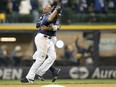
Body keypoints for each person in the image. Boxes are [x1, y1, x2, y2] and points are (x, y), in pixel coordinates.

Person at [21, 3, 62, 83]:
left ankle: (40, 72)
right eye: (58, 13)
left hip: (50, 40)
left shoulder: (55, 19)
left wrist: (50, 27)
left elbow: (58, 26)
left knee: (52, 57)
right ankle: (29, 77)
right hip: (43, 38)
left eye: (45, 9)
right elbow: (39, 25)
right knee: (40, 58)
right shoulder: (47, 16)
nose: (43, 10)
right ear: (53, 11)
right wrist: (51, 27)